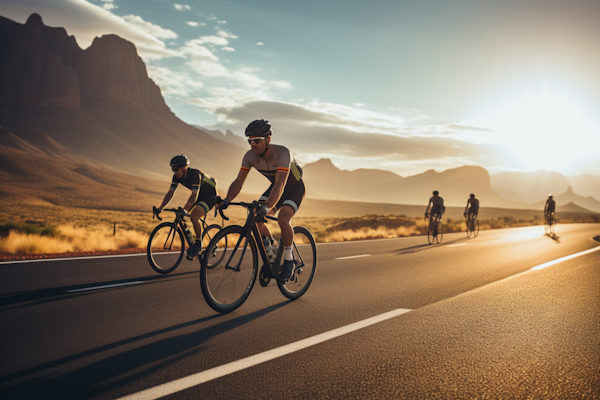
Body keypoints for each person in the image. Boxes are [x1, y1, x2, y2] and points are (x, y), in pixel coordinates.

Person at [219, 119, 305, 281]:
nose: (253, 144)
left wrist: (268, 207)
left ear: (268, 139)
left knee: (282, 218)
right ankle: (271, 250)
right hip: (275, 189)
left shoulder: (283, 153)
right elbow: (239, 182)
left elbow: (280, 183)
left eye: (257, 140)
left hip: (293, 189)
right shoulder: (249, 157)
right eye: (250, 141)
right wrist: (226, 200)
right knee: (254, 216)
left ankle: (289, 260)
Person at [154, 154, 218, 258]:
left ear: (184, 168)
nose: (174, 172)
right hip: (199, 195)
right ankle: (192, 243)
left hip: (210, 196)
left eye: (176, 169)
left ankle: (198, 243)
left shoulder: (194, 175)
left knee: (194, 217)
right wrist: (160, 208)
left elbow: (194, 196)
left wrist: (185, 209)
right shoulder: (176, 177)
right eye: (172, 169)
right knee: (185, 215)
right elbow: (170, 193)